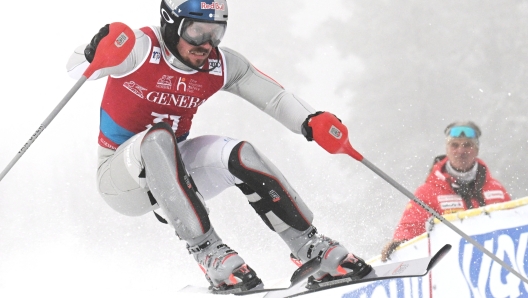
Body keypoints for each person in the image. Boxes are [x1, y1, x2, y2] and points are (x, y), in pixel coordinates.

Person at [66, 0, 372, 293]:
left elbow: (275, 98)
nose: (206, 44)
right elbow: (74, 67)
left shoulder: (221, 65)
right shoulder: (138, 48)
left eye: (216, 33)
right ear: (171, 24)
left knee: (239, 154)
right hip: (121, 181)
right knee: (158, 137)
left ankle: (309, 246)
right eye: (197, 31)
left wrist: (310, 121)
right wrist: (94, 50)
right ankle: (208, 252)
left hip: (176, 179)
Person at [381, 121, 511, 262]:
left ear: (477, 149)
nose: (461, 151)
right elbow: (410, 227)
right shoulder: (428, 192)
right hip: (452, 268)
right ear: (447, 149)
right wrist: (400, 243)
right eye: (454, 145)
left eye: (467, 145)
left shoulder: (496, 189)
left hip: (494, 266)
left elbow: (514, 224)